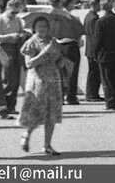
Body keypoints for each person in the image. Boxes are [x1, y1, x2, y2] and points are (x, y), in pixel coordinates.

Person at [18, 15, 68, 156]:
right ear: (34, 28)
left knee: (52, 114)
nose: (42, 29)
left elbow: (58, 58)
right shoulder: (31, 43)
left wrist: (60, 61)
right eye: (39, 26)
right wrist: (45, 52)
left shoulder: (53, 42)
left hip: (53, 79)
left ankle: (47, 145)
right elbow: (29, 64)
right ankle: (27, 134)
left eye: (45, 26)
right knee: (37, 112)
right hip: (38, 81)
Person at [47, 0, 84, 105]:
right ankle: (71, 96)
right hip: (70, 45)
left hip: (57, 45)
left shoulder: (52, 17)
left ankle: (60, 95)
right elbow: (79, 36)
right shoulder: (72, 18)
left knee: (59, 71)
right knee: (72, 71)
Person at [94, 0, 115, 110]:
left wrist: (95, 53)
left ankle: (111, 101)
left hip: (105, 54)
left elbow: (98, 40)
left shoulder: (100, 22)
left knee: (107, 79)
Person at [0, 0, 26, 116]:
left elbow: (21, 31)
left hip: (16, 48)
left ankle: (12, 105)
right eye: (13, 12)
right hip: (4, 48)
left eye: (16, 12)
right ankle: (3, 106)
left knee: (16, 79)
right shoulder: (0, 19)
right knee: (7, 77)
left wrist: (21, 35)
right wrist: (9, 36)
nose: (14, 15)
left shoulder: (17, 20)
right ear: (8, 8)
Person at [81, 0, 102, 103]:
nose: (100, 7)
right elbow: (95, 35)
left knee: (93, 72)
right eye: (99, 5)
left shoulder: (88, 16)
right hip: (93, 49)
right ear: (95, 5)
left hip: (89, 48)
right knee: (94, 73)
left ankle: (92, 93)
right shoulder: (93, 18)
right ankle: (92, 94)